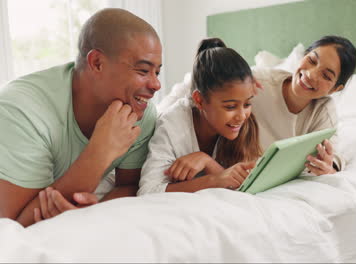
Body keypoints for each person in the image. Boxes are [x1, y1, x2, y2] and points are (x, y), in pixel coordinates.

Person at [0, 8, 162, 227]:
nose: (156, 85)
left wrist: (95, 210)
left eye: (157, 72)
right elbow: (12, 226)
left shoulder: (139, 111)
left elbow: (131, 186)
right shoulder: (22, 110)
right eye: (143, 71)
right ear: (97, 63)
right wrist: (99, 153)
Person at [138, 38, 261, 194]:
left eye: (247, 104)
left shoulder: (245, 124)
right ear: (199, 100)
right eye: (230, 106)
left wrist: (208, 163)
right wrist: (213, 180)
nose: (242, 116)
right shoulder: (172, 125)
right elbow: (148, 191)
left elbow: (248, 184)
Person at [252, 35, 356, 176]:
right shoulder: (256, 82)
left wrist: (329, 168)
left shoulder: (323, 111)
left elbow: (331, 155)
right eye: (312, 60)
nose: (311, 74)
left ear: (335, 89)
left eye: (326, 76)